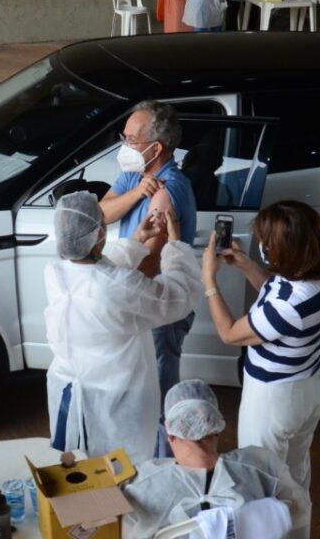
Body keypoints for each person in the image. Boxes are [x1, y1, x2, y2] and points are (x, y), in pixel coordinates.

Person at [201, 201, 320, 539]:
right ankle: (298, 531)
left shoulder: (289, 306)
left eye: (266, 243)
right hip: (310, 385)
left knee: (259, 479)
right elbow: (278, 291)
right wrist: (247, 265)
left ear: (283, 253)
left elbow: (230, 333)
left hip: (276, 399)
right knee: (294, 472)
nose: (261, 246)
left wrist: (210, 280)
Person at [45, 191, 202, 465]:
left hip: (67, 389)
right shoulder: (117, 285)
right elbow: (177, 297)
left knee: (74, 469)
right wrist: (175, 244)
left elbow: (98, 273)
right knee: (117, 472)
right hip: (114, 396)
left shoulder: (56, 272)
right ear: (99, 237)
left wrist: (137, 241)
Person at [99, 101, 198, 415]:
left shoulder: (169, 189)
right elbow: (101, 214)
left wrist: (116, 292)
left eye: (131, 140)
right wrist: (137, 193)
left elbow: (151, 261)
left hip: (158, 305)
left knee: (159, 400)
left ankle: (167, 461)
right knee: (144, 394)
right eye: (124, 137)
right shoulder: (135, 176)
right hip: (144, 300)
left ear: (156, 148)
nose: (125, 145)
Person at [121, 380, 310, 539]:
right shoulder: (263, 467)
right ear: (217, 429)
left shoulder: (141, 485)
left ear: (170, 435)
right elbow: (298, 512)